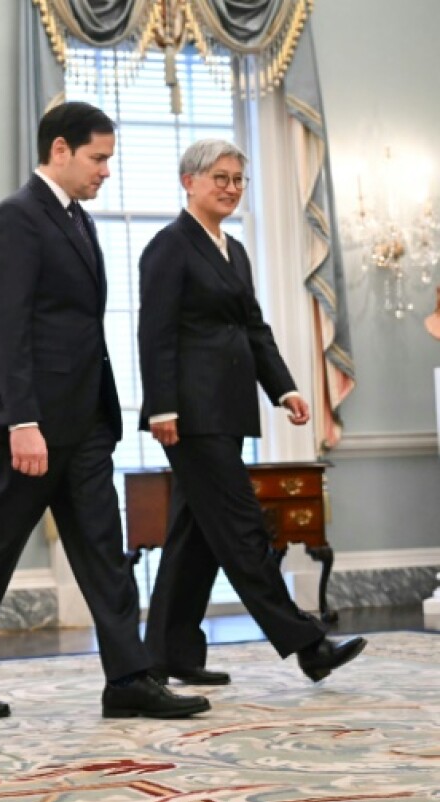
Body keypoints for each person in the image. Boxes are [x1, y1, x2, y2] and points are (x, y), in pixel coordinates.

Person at [0, 102, 210, 721]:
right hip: (29, 425)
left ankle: (130, 678)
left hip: (84, 423)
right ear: (60, 150)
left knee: (105, 552)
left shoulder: (77, 220)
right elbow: (6, 330)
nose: (106, 171)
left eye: (108, 159)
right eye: (98, 158)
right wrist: (22, 422)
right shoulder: (15, 219)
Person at [137, 138, 366, 687]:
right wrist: (160, 407)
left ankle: (169, 656)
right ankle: (307, 644)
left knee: (194, 535)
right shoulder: (168, 247)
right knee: (242, 529)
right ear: (188, 181)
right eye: (221, 177)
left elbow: (253, 328)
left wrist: (283, 389)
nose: (232, 188)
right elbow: (155, 333)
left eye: (239, 179)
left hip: (231, 408)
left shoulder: (233, 250)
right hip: (191, 415)